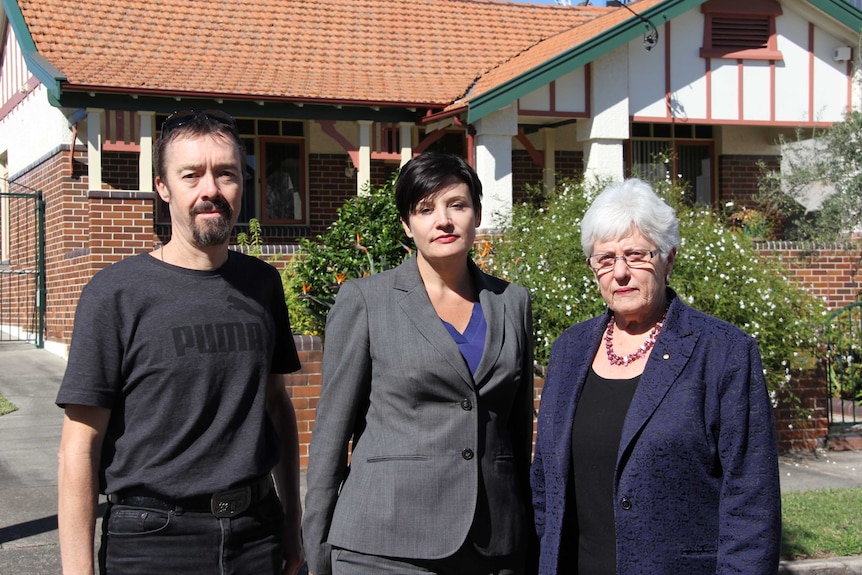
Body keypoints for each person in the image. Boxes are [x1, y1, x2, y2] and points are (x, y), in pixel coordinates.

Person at [56, 110, 304, 575]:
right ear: (163, 187)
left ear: (241, 185)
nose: (210, 189)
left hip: (257, 534)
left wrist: (293, 524)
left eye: (225, 173)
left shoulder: (262, 284)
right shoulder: (115, 294)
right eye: (191, 175)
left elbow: (276, 407)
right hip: (153, 541)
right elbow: (78, 446)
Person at [531, 178, 781, 574]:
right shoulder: (569, 351)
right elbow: (545, 484)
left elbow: (751, 501)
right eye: (606, 259)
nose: (621, 273)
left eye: (637, 255)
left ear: (669, 258)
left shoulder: (722, 353)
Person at [303, 152, 535, 575]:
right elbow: (331, 434)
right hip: (385, 545)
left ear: (477, 213)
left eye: (457, 205)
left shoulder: (512, 302)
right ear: (408, 226)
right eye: (426, 209)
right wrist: (316, 549)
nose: (443, 220)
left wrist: (527, 535)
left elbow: (517, 432)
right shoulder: (366, 300)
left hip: (493, 544)